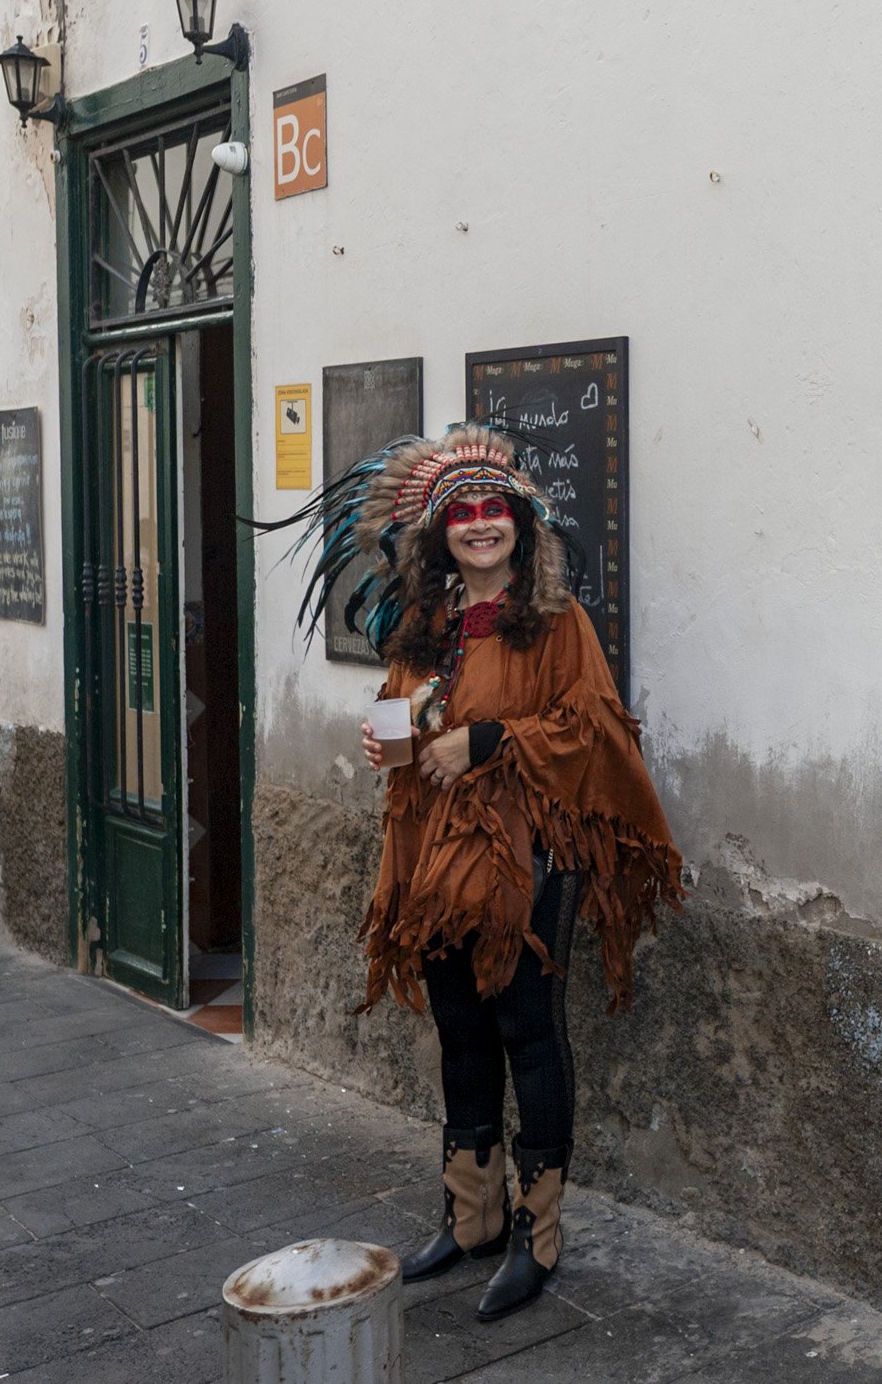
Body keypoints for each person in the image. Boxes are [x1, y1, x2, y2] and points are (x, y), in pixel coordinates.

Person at [268, 424, 681, 1322]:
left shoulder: (560, 625)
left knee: (528, 1028)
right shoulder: (426, 624)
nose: (482, 525)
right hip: (440, 855)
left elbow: (598, 732)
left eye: (497, 511)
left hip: (531, 856)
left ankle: (539, 1236)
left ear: (522, 528)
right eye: (465, 513)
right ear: (441, 532)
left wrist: (487, 739)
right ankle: (472, 1216)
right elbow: (410, 719)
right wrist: (393, 737)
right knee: (459, 1027)